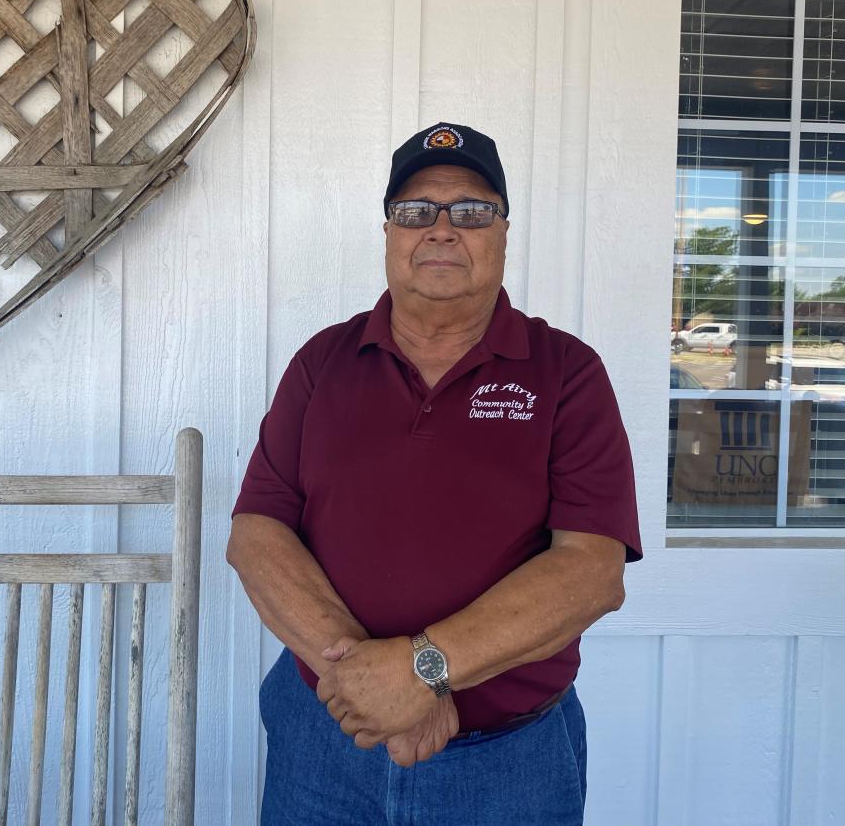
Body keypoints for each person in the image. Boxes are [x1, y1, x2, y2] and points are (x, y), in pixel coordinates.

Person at [227, 122, 642, 825]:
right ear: (390, 234)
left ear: (503, 233)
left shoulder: (567, 372)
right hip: (323, 745)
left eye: (472, 212)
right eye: (416, 211)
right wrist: (373, 685)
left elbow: (591, 571)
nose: (442, 230)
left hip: (507, 764)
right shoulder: (322, 362)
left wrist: (422, 670)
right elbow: (256, 532)